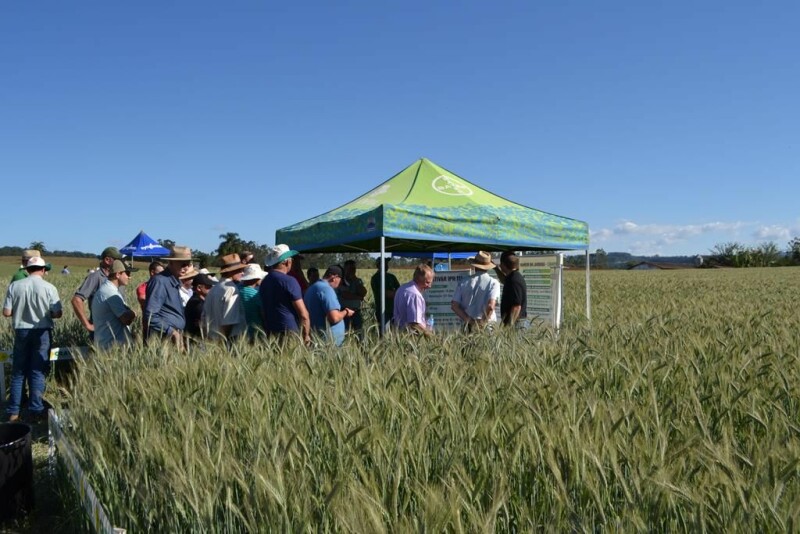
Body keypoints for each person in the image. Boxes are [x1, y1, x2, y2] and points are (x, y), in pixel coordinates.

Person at [2, 255, 62, 422]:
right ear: (43, 270)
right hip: (42, 331)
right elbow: (57, 313)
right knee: (37, 370)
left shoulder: (15, 286)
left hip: (21, 330)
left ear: (27, 270)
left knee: (18, 371)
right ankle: (36, 409)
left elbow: (6, 312)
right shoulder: (50, 288)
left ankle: (14, 410)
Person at [258, 244, 311, 344]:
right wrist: (306, 335)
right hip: (289, 331)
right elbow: (303, 314)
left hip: (271, 331)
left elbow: (263, 311)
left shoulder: (264, 281)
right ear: (287, 262)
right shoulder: (289, 281)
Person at [145, 246, 193, 347]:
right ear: (171, 263)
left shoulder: (174, 281)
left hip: (172, 340)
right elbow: (150, 315)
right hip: (163, 340)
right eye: (183, 264)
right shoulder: (160, 282)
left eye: (188, 264)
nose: (186, 267)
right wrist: (171, 331)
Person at [71, 246, 124, 334]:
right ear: (107, 260)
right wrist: (87, 325)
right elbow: (76, 300)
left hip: (118, 328)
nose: (121, 263)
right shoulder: (95, 277)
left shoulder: (118, 277)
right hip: (102, 330)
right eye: (118, 260)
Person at [91, 260, 136, 350]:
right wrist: (133, 313)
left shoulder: (107, 289)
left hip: (108, 344)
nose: (129, 277)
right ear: (118, 274)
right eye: (127, 273)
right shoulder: (110, 293)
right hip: (112, 346)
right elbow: (125, 319)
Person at [304, 265, 354, 346]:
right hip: (329, 343)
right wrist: (346, 312)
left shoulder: (311, 288)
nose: (339, 285)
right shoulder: (327, 289)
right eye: (340, 281)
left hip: (317, 338)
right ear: (334, 277)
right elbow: (334, 318)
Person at [202, 254, 248, 342]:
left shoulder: (214, 288)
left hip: (212, 338)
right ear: (231, 271)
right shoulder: (231, 289)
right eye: (239, 270)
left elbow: (204, 318)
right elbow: (229, 320)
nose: (242, 273)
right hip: (228, 339)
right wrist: (222, 342)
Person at [451, 251, 501, 331]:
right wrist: (483, 323)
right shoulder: (494, 283)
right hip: (487, 327)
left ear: (475, 266)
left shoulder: (463, 282)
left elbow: (454, 305)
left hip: (467, 326)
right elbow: (491, 306)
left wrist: (470, 321)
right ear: (488, 267)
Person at [392, 263, 434, 335]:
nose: (429, 286)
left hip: (399, 334)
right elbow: (415, 324)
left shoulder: (402, 288)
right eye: (427, 282)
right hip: (412, 337)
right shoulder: (415, 295)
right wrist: (431, 337)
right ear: (419, 279)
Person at [498, 253, 529, 328]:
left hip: (517, 324)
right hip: (516, 322)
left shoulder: (514, 280)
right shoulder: (513, 277)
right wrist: (496, 269)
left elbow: (517, 306)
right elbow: (504, 280)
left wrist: (509, 326)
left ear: (503, 264)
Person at [238, 263, 266, 341]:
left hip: (241, 332)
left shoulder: (238, 290)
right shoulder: (255, 295)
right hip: (256, 332)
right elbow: (263, 314)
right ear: (256, 278)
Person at [184, 273, 216, 341]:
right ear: (199, 288)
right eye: (208, 286)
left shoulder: (199, 301)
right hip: (196, 340)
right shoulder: (196, 303)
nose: (211, 288)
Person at [370, 257, 400, 329]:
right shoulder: (376, 278)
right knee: (384, 334)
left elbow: (400, 292)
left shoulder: (392, 276)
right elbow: (385, 294)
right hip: (383, 311)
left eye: (386, 263)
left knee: (394, 333)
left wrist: (393, 293)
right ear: (378, 265)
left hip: (394, 310)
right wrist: (394, 293)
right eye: (384, 263)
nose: (386, 265)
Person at [337, 259, 366, 332]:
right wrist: (359, 297)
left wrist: (355, 280)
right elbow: (345, 295)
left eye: (354, 268)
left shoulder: (357, 280)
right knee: (345, 332)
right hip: (344, 311)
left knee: (359, 333)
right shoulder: (341, 281)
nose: (353, 270)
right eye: (350, 269)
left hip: (356, 311)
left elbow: (363, 292)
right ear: (345, 269)